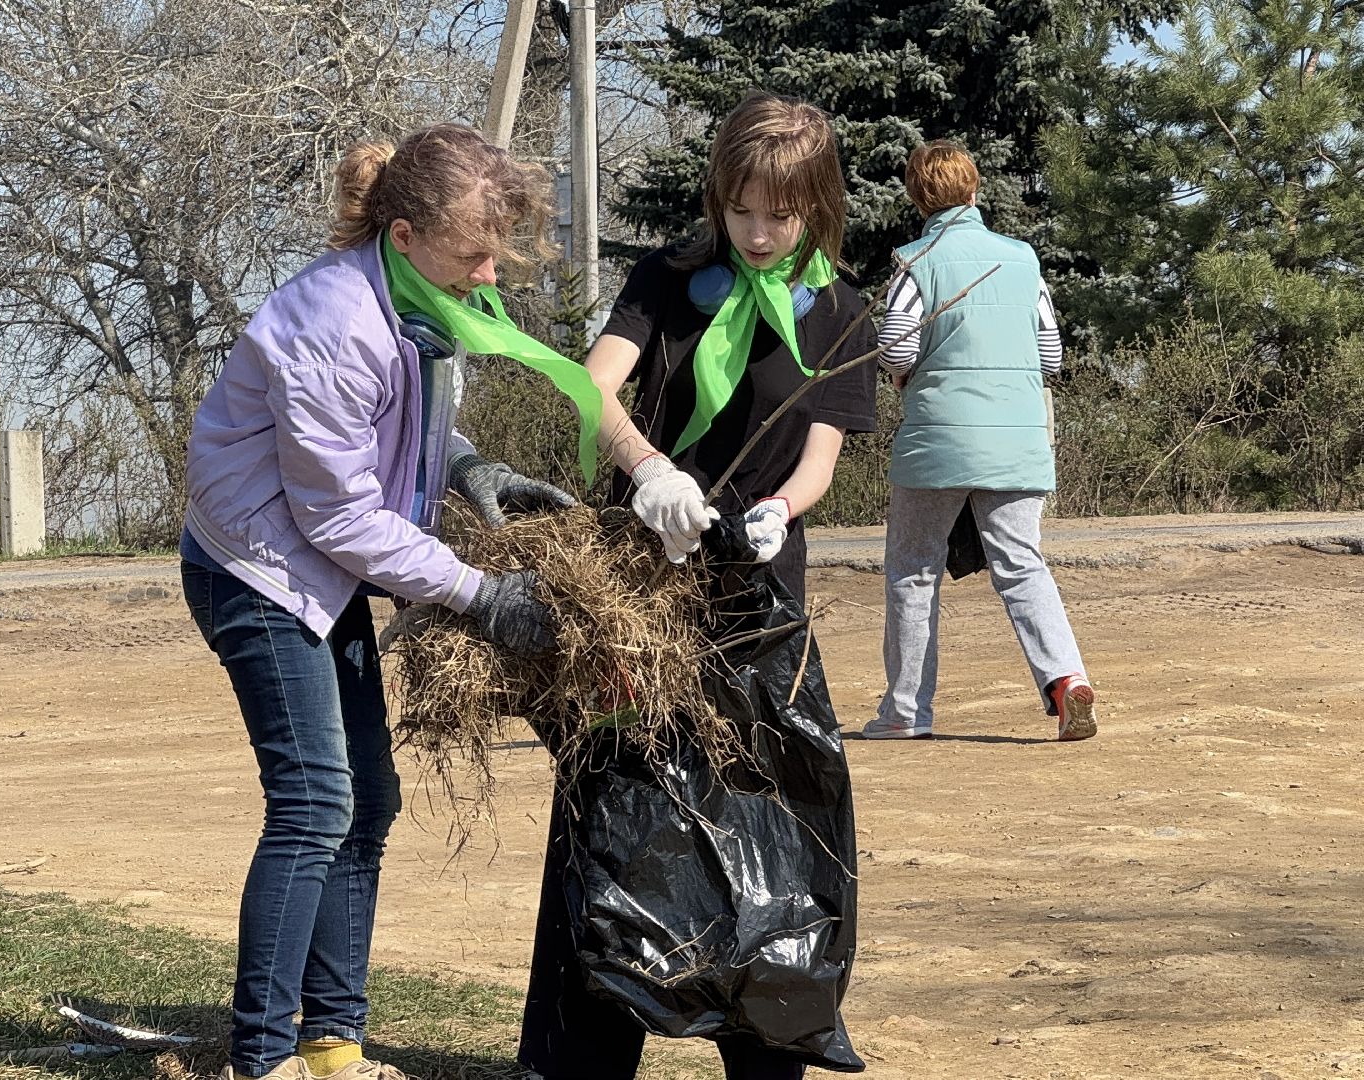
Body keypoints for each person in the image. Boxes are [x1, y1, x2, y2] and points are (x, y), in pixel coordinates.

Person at [181, 123, 600, 1080]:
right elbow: (341, 517)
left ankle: (334, 1047)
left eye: (498, 250)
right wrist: (483, 594)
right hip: (258, 573)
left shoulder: (421, 301)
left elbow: (405, 428)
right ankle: (262, 1058)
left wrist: (468, 465)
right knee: (314, 803)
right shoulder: (334, 323)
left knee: (368, 801)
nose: (490, 272)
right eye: (475, 252)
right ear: (404, 234)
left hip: (318, 569)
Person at [518, 92, 877, 1080]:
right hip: (637, 594)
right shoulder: (669, 280)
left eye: (780, 215)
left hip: (758, 610)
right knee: (615, 822)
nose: (757, 234)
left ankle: (765, 1052)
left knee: (764, 829)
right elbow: (587, 385)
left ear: (818, 208)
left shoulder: (838, 311)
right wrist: (647, 469)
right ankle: (580, 1058)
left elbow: (821, 453)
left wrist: (782, 512)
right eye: (741, 211)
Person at [862, 139, 1097, 743]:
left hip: (937, 443)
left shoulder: (916, 261)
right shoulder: (1023, 260)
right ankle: (1067, 680)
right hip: (1019, 441)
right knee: (1023, 566)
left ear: (917, 197)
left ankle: (905, 714)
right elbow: (1051, 354)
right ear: (975, 190)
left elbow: (896, 346)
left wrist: (901, 373)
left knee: (914, 571)